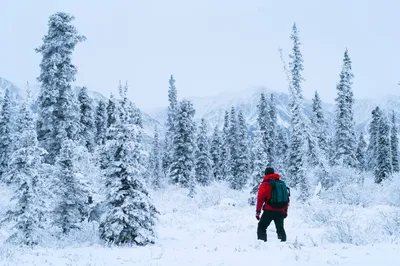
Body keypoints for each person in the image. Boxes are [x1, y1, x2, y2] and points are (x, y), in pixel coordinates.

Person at [255, 167, 289, 242]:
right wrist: (285, 211)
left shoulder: (265, 184)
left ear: (265, 174)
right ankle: (283, 246)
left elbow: (260, 199)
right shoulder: (281, 183)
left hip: (269, 210)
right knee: (280, 229)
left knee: (262, 227)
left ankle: (262, 244)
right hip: (280, 210)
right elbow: (286, 199)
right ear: (273, 173)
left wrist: (258, 212)